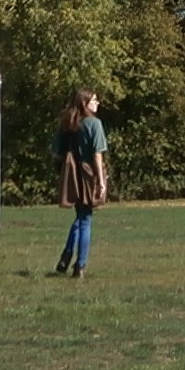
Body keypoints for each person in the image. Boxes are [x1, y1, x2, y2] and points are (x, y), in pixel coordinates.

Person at [52, 89, 108, 278]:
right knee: (85, 220)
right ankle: (80, 265)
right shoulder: (94, 124)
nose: (97, 103)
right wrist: (101, 181)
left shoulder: (67, 124)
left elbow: (56, 152)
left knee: (81, 216)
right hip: (87, 172)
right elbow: (97, 154)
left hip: (71, 173)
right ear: (85, 103)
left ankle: (66, 256)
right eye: (94, 100)